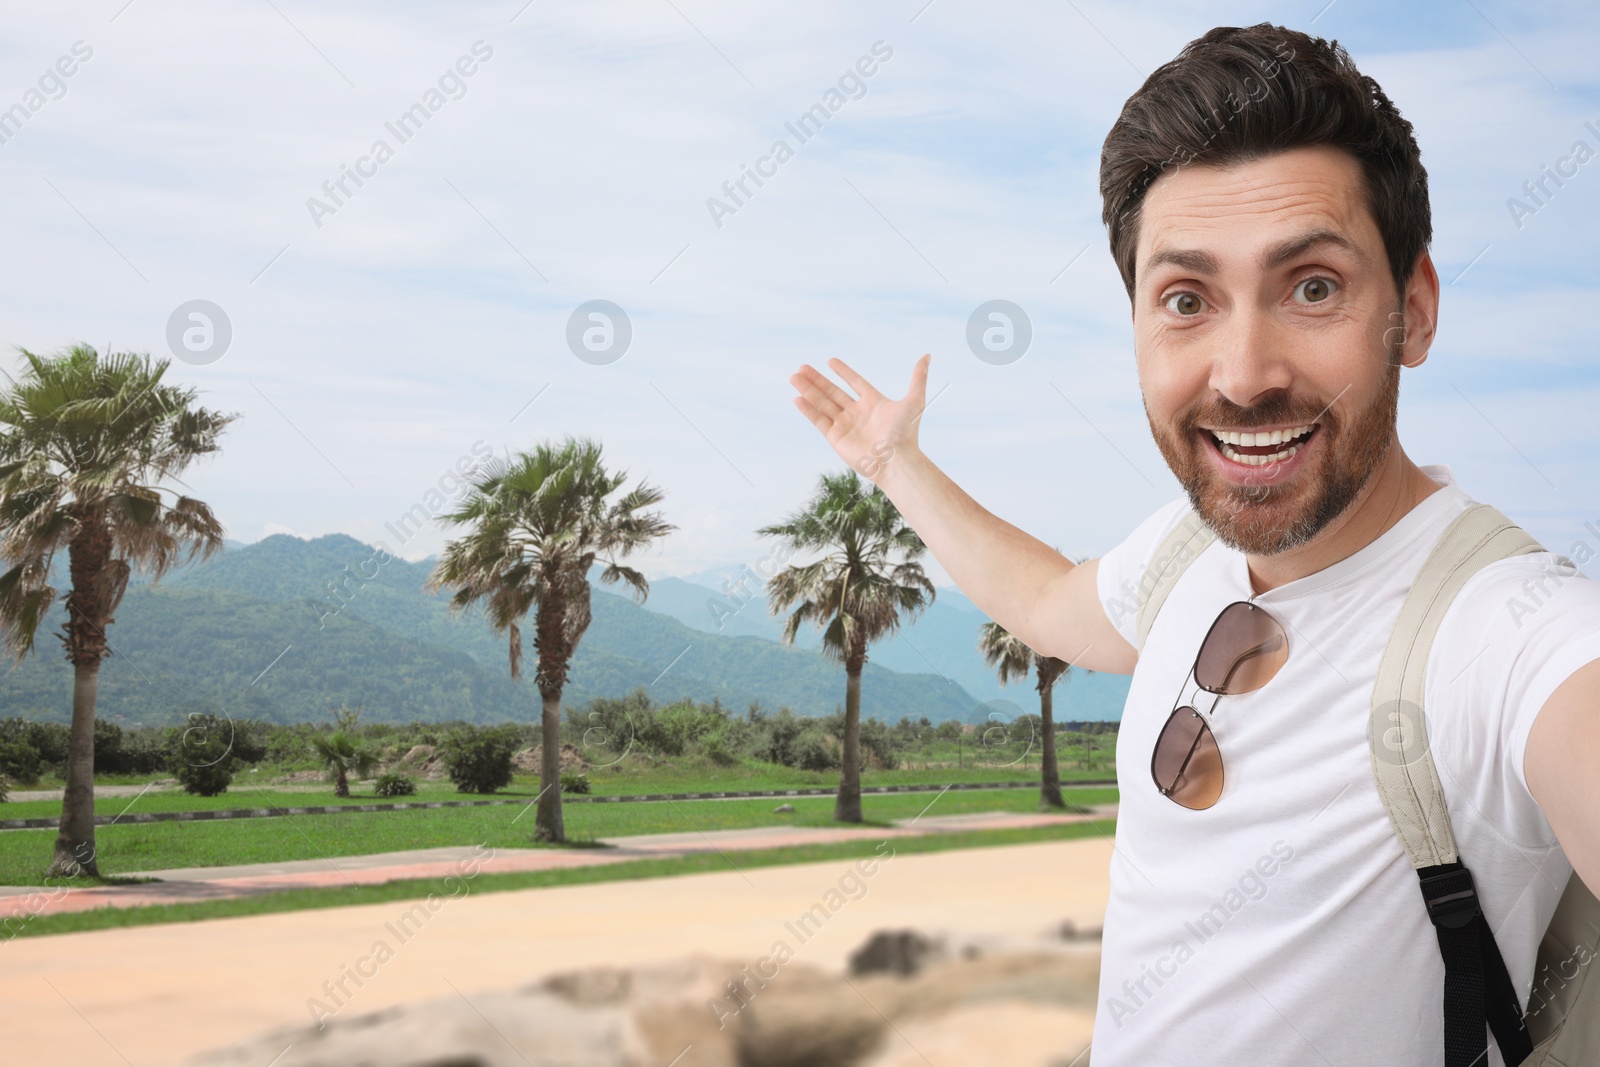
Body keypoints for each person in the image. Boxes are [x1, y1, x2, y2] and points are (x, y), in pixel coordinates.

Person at [785, 23, 1600, 1066]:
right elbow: (1045, 602)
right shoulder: (1185, 553)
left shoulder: (1505, 627)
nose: (1244, 372)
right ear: (1134, 324)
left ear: (1415, 310)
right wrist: (897, 462)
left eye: (1311, 286)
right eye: (1186, 299)